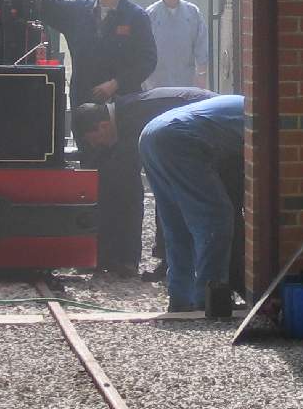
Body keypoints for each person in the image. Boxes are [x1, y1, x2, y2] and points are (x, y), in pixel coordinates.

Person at [72, 86, 214, 277]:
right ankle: (166, 261)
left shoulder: (133, 118)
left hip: (206, 122)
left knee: (168, 190)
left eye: (94, 140)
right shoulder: (124, 114)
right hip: (195, 122)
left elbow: (128, 188)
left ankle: (172, 263)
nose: (95, 146)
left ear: (104, 125)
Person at [138, 94, 244, 313]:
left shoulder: (240, 104)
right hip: (178, 137)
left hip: (151, 134)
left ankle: (180, 298)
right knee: (217, 218)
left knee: (176, 223)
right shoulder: (268, 117)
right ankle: (208, 298)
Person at [40, 0, 156, 118]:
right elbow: (45, 9)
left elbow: (148, 61)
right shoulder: (77, 11)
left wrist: (116, 83)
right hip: (83, 104)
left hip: (122, 107)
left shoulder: (136, 17)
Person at [144, 0, 209, 89]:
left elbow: (201, 46)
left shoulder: (192, 12)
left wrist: (201, 75)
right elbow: (143, 51)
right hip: (158, 83)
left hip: (186, 81)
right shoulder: (150, 15)